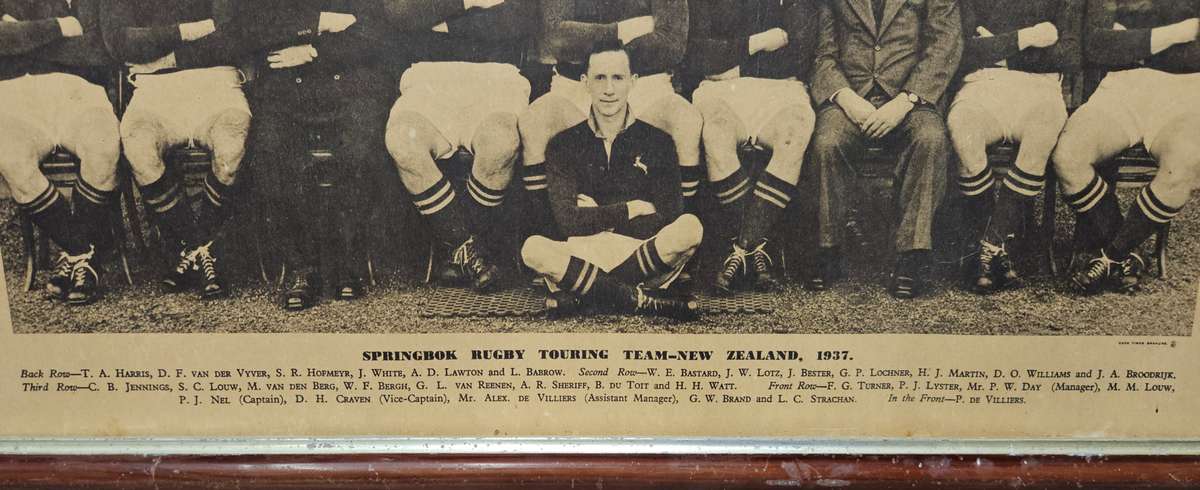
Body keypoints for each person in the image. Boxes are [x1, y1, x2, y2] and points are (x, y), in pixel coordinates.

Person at [168, 0, 392, 310]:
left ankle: (346, 262)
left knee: (362, 151)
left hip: (351, 83)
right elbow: (250, 26)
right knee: (270, 153)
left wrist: (313, 50)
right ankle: (301, 267)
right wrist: (321, 21)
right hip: (284, 86)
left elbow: (377, 31)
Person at [521, 41, 702, 320]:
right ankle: (638, 299)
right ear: (585, 83)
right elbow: (565, 222)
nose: (608, 89)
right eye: (600, 78)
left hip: (638, 253)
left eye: (618, 78)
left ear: (633, 82)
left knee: (690, 228)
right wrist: (630, 208)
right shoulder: (564, 143)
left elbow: (669, 216)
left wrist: (595, 212)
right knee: (532, 248)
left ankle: (589, 296)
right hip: (585, 253)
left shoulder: (658, 141)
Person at [808, 0, 962, 299]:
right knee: (827, 142)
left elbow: (944, 45)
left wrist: (905, 102)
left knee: (929, 139)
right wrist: (846, 99)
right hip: (850, 98)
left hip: (911, 100)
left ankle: (912, 255)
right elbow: (822, 53)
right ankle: (829, 247)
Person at [381, 0, 536, 292]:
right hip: (427, 78)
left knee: (501, 142)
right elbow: (400, 14)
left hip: (498, 77)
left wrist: (445, 25)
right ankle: (473, 253)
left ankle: (458, 251)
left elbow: (520, 17)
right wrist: (470, 2)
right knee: (403, 140)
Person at [102, 0, 253, 299]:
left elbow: (235, 36)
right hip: (153, 87)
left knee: (230, 152)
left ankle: (191, 250)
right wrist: (194, 30)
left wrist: (167, 54)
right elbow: (119, 42)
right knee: (139, 147)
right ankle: (202, 248)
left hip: (217, 81)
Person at [517, 0, 701, 244]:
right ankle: (551, 239)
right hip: (576, 83)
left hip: (645, 82)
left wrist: (587, 37)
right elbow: (555, 38)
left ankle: (674, 244)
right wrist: (626, 31)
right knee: (535, 121)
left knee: (685, 120)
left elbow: (673, 44)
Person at [1052, 0, 1199, 294]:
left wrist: (1132, 44)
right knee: (1068, 157)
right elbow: (1096, 46)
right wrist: (1179, 33)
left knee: (1182, 164)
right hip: (1122, 87)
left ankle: (1112, 255)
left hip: (1186, 91)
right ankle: (1126, 255)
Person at [683, 0, 819, 294]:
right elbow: (698, 56)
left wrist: (733, 62)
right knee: (717, 134)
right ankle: (758, 250)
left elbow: (802, 53)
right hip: (720, 89)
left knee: (792, 134)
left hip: (783, 88)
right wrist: (758, 43)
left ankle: (741, 247)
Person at [949, 0, 1081, 293]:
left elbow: (1070, 54)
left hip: (1040, 87)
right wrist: (1028, 38)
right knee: (962, 128)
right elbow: (963, 51)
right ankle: (997, 248)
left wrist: (1000, 50)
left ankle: (989, 246)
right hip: (983, 84)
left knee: (1044, 128)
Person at [0, 0, 119, 305]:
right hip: (13, 95)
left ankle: (75, 255)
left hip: (79, 91)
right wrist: (60, 27)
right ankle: (83, 253)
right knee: (10, 157)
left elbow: (100, 50)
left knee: (103, 146)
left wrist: (24, 39)